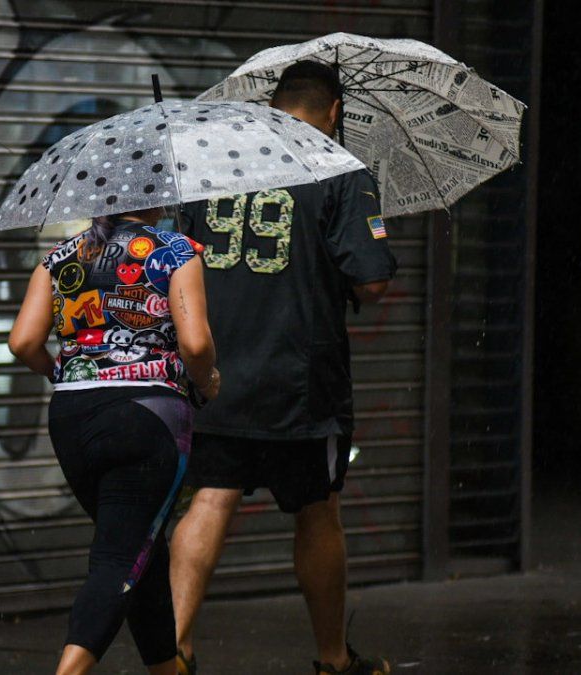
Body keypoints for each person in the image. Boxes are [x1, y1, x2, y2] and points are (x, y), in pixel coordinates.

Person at [172, 60, 399, 675]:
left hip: (216, 372)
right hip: (302, 383)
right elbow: (371, 281)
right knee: (318, 510)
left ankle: (177, 656)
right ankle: (332, 660)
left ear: (272, 105)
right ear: (334, 112)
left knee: (210, 500)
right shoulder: (338, 169)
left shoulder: (215, 164)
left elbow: (178, 257)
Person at [9, 206, 219, 675]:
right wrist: (208, 382)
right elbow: (197, 345)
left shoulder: (59, 257)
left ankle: (168, 667)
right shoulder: (175, 251)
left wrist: (61, 373)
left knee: (141, 545)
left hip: (71, 418)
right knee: (119, 557)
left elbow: (23, 341)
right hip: (148, 417)